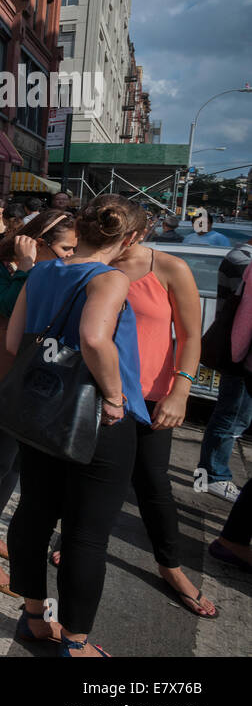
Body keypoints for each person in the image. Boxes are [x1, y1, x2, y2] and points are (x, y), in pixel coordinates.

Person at [4, 195, 148, 656]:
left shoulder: (42, 271)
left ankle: (33, 617)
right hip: (98, 416)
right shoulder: (109, 278)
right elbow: (93, 338)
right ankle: (76, 642)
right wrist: (113, 396)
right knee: (86, 534)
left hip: (43, 409)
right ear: (128, 239)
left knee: (34, 513)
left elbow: (13, 342)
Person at [74, 210, 215, 618]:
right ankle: (77, 541)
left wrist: (181, 390)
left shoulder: (169, 267)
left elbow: (190, 336)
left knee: (153, 483)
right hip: (99, 392)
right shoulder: (94, 262)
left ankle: (171, 567)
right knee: (91, 477)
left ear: (141, 230)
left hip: (153, 396)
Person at [0, 211, 78, 596]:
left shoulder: (60, 272)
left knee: (14, 461)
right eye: (65, 248)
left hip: (37, 373)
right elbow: (14, 307)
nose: (70, 256)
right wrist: (29, 268)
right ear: (38, 241)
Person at [196, 237, 252, 502]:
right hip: (237, 353)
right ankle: (212, 475)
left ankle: (209, 473)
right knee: (231, 415)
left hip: (239, 350)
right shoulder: (242, 259)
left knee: (235, 416)